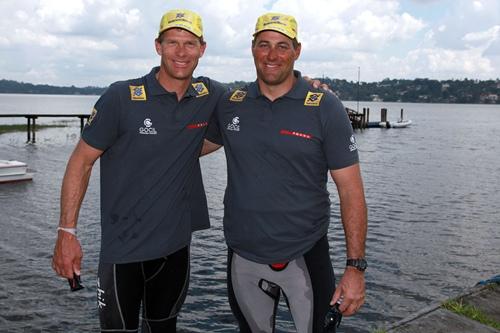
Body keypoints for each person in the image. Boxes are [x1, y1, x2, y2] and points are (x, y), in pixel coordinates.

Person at [51, 9, 227, 332]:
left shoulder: (210, 94)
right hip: (122, 253)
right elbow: (81, 161)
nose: (181, 52)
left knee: (163, 328)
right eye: (172, 42)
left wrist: (307, 87)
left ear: (202, 49)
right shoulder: (122, 97)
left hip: (175, 250)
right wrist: (67, 232)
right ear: (157, 46)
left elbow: (254, 102)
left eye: (189, 43)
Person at [203, 12, 368, 332]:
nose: (272, 55)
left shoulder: (324, 106)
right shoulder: (231, 103)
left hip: (305, 253)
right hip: (243, 254)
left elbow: (351, 191)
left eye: (282, 46)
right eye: (264, 45)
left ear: (297, 50)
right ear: (252, 48)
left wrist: (355, 267)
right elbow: (191, 147)